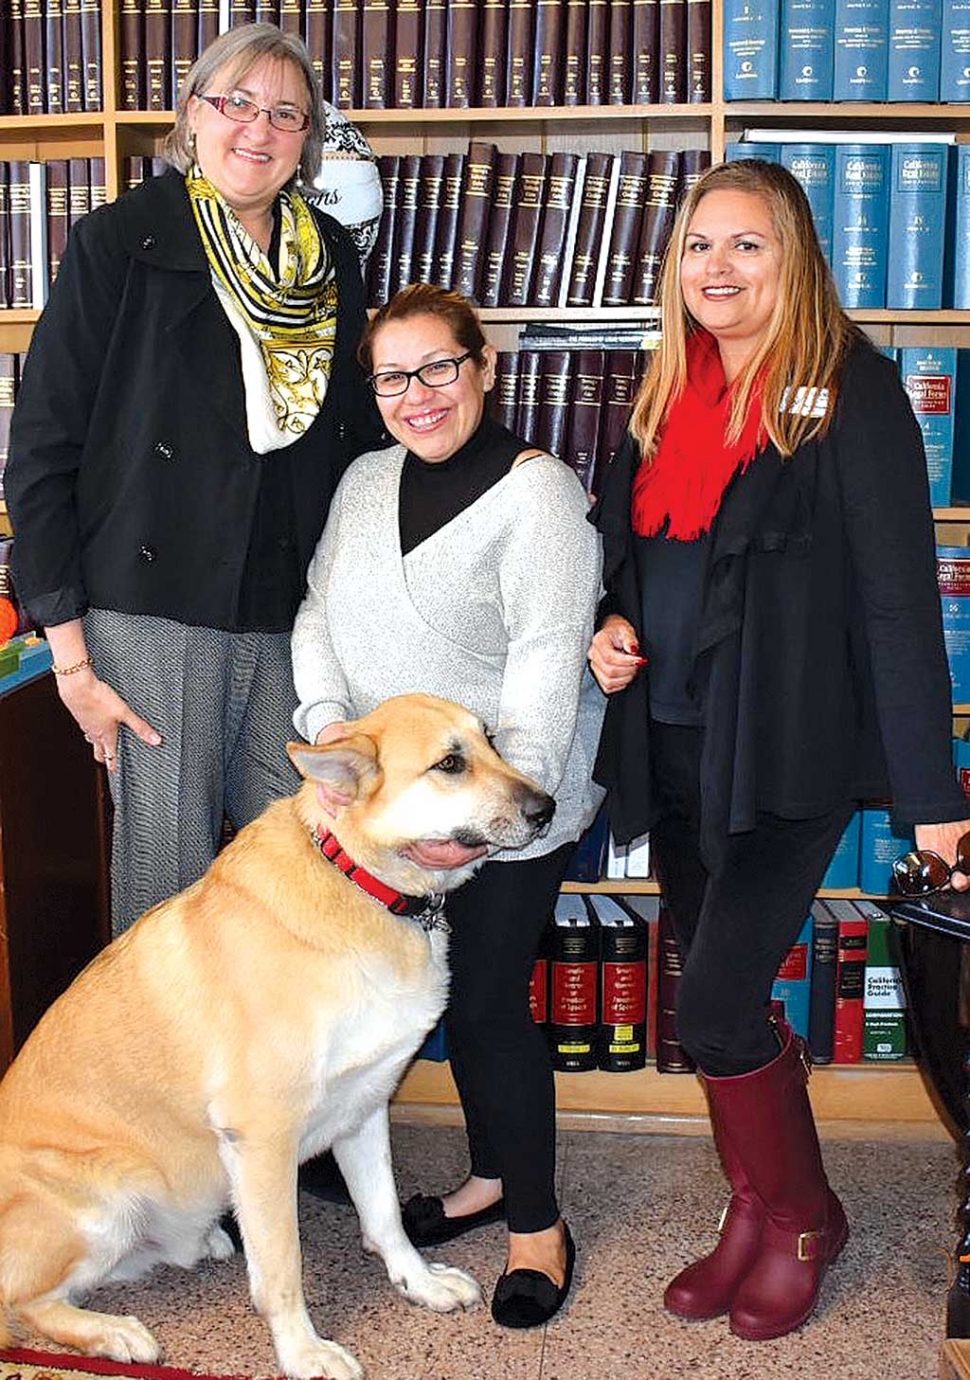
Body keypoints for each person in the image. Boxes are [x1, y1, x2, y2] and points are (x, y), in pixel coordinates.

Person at [587, 157, 970, 1342]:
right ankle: (749, 1210)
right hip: (678, 740)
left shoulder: (850, 393)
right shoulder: (665, 395)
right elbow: (632, 559)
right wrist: (607, 629)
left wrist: (933, 797)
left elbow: (901, 603)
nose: (717, 268)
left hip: (785, 754)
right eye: (700, 245)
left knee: (708, 1007)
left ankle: (804, 1218)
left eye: (746, 244)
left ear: (794, 257)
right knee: (721, 989)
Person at [5, 24, 380, 936]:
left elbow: (361, 441)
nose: (259, 128)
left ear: (308, 140)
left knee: (295, 882)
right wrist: (72, 661)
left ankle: (275, 1083)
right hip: (153, 611)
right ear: (193, 116)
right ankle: (164, 1080)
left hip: (291, 610)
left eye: (286, 113)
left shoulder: (329, 257)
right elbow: (42, 452)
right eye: (236, 103)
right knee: (167, 886)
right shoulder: (119, 242)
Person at [291, 283, 605, 1328]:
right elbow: (316, 612)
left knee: (481, 1005)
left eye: (438, 368)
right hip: (391, 815)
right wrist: (331, 719)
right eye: (393, 376)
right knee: (435, 993)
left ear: (482, 367)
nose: (417, 395)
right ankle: (486, 1180)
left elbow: (546, 667)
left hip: (503, 809)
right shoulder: (364, 480)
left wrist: (478, 823)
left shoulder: (539, 495)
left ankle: (536, 1228)